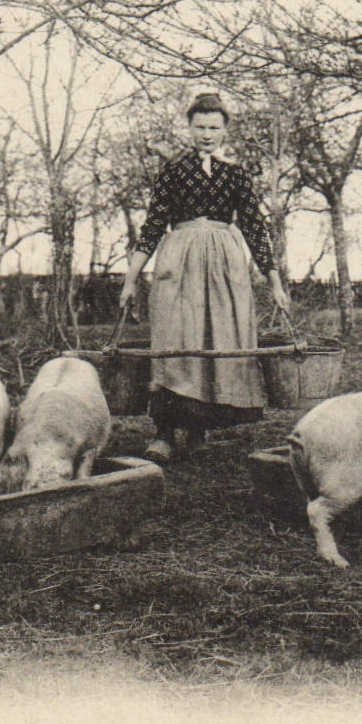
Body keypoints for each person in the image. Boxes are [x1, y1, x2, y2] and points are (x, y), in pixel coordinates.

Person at [118, 93, 291, 461]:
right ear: (190, 128)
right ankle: (164, 432)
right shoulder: (173, 172)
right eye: (200, 127)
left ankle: (198, 427)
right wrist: (131, 278)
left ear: (225, 130)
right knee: (174, 340)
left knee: (215, 340)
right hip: (178, 264)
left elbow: (255, 229)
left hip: (225, 268)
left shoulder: (236, 175)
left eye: (214, 127)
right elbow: (151, 227)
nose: (207, 134)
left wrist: (274, 282)